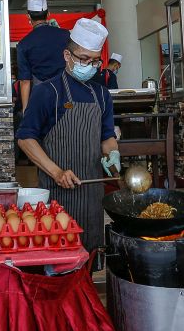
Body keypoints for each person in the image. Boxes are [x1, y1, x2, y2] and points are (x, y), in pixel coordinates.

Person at [16, 18, 119, 257]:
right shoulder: (46, 92)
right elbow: (25, 138)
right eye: (83, 59)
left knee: (89, 256)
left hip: (92, 195)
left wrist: (112, 152)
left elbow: (106, 135)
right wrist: (56, 172)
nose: (90, 65)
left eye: (95, 61)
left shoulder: (102, 95)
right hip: (56, 195)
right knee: (59, 259)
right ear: (67, 55)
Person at [16, 0, 71, 112]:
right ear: (48, 14)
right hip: (66, 93)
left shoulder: (24, 43)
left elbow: (25, 81)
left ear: (28, 16)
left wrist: (26, 109)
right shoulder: (65, 35)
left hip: (41, 97)